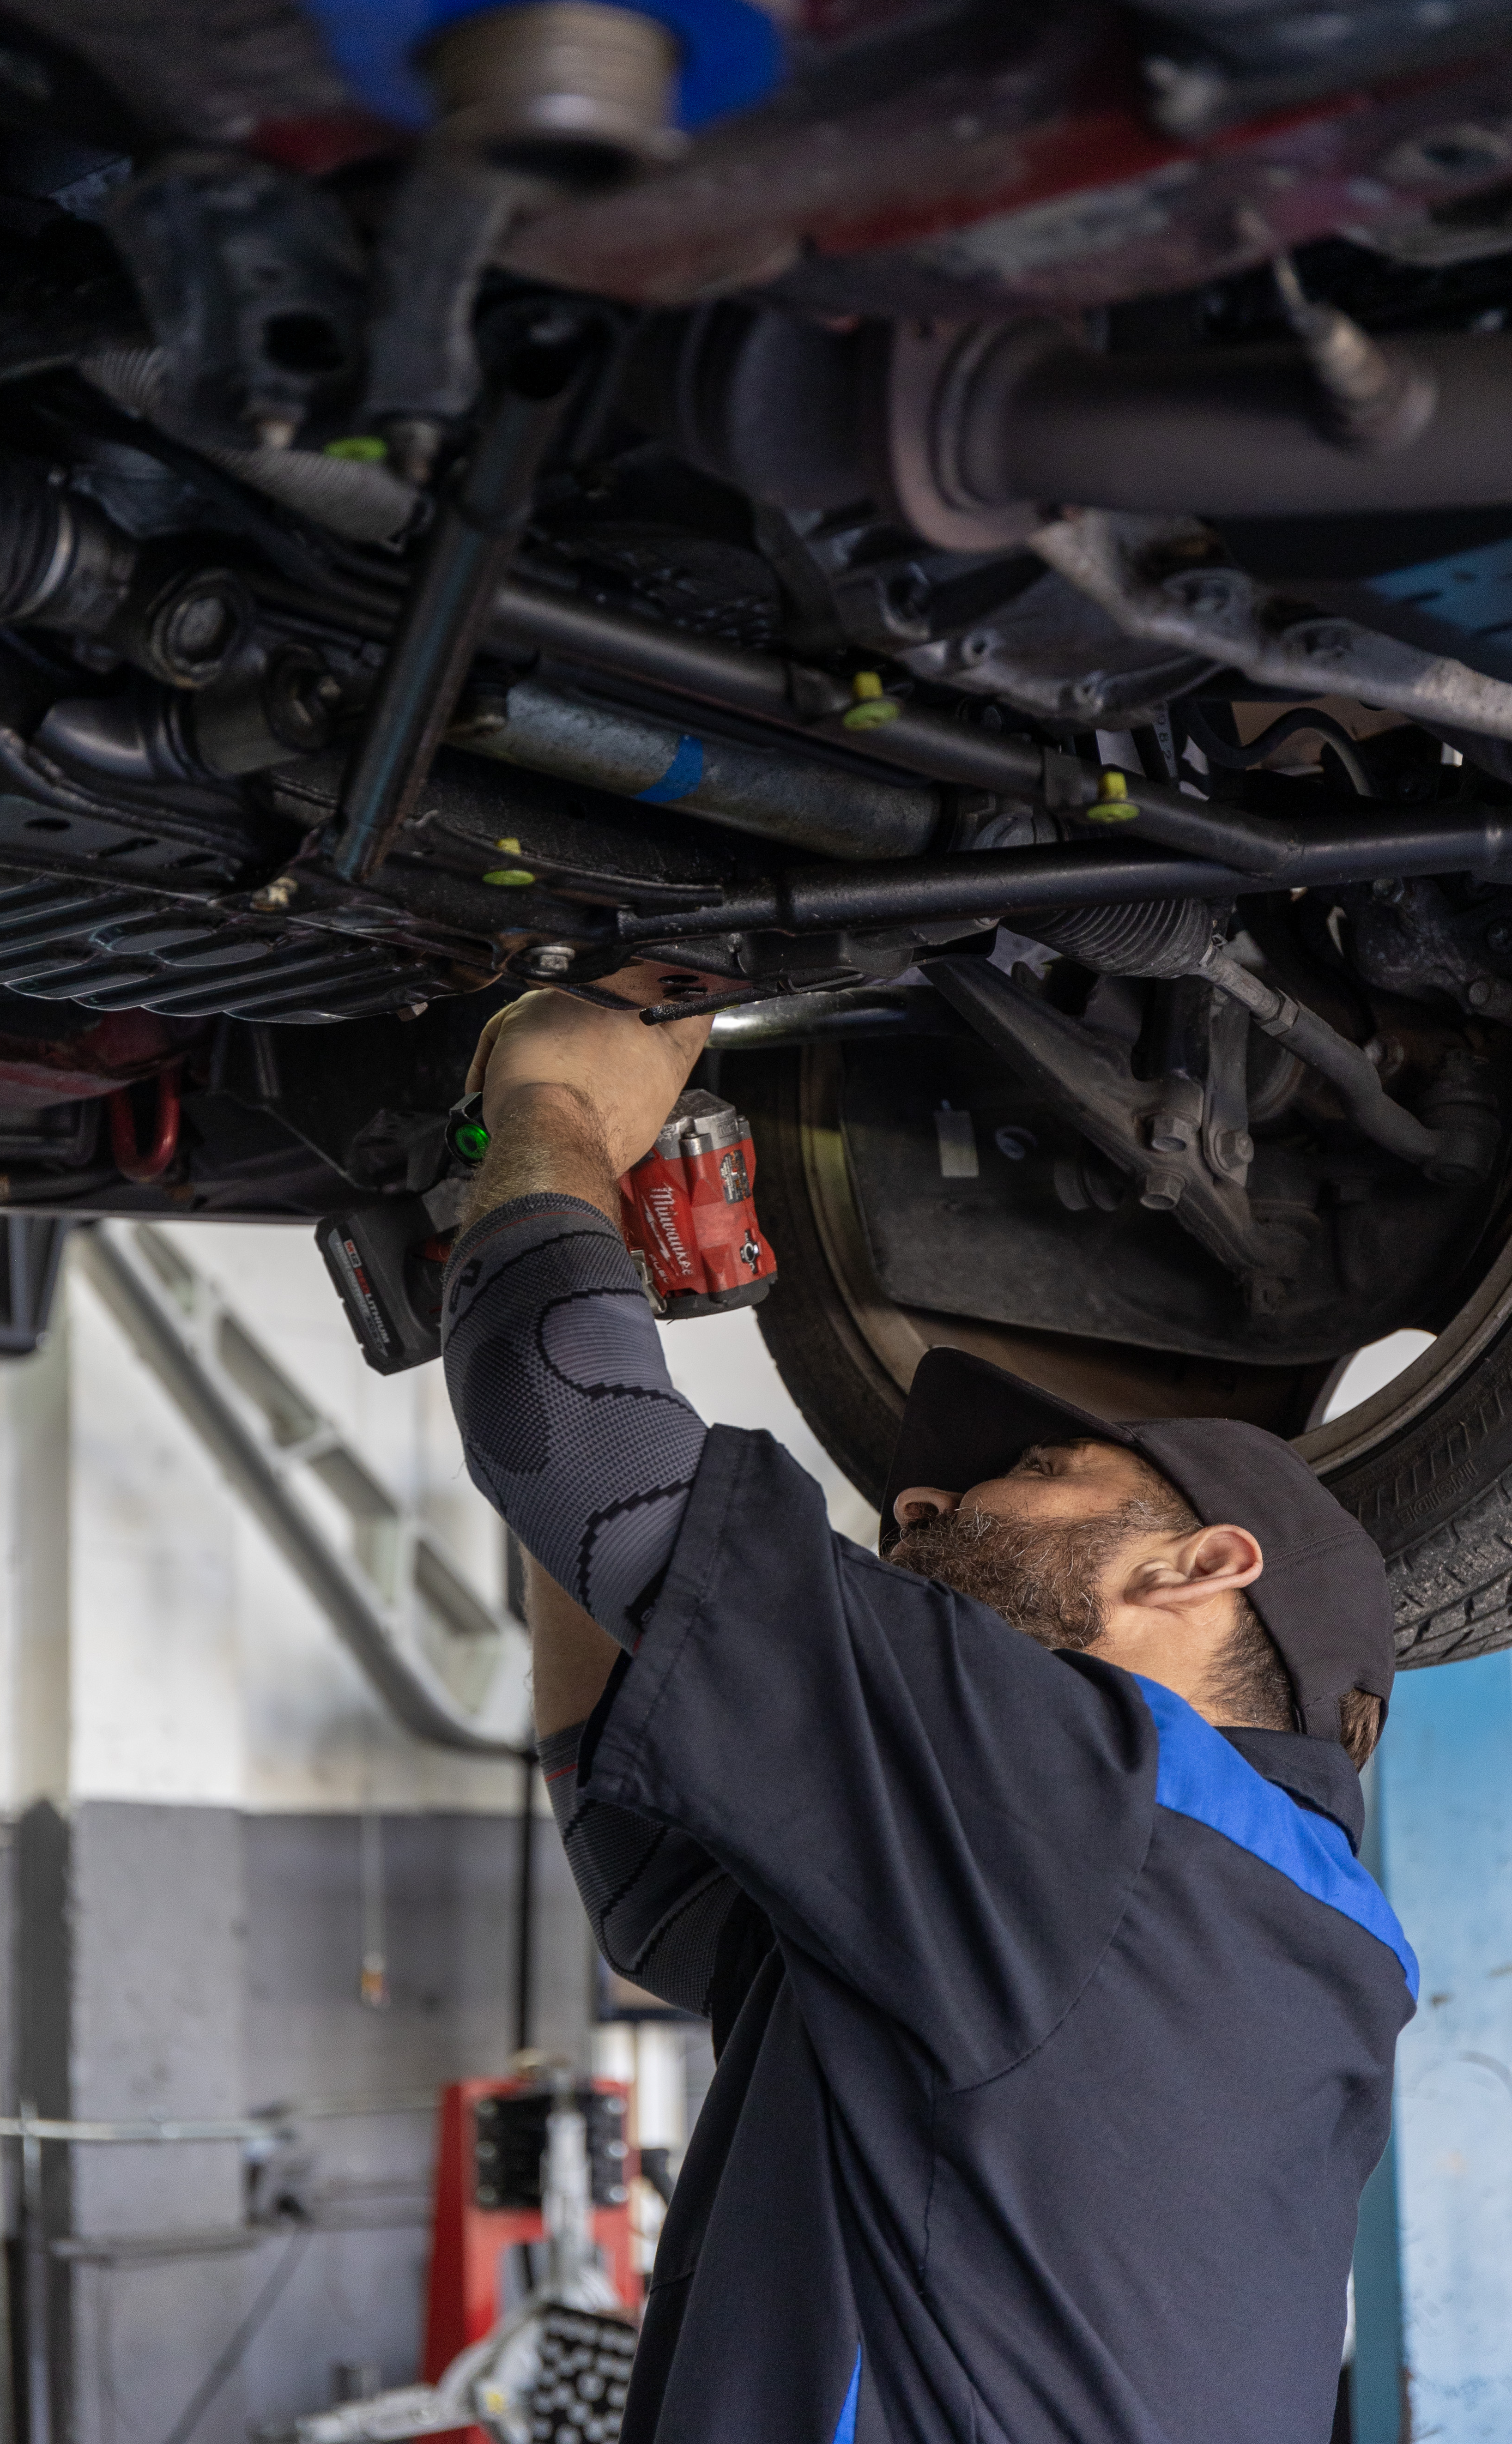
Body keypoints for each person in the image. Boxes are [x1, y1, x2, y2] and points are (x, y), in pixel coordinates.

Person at [440, 982, 1415, 2444]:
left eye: (1016, 1470)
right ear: (1192, 1561)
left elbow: (565, 1428)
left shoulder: (1116, 1834)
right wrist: (557, 1190)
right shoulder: (1181, 1884)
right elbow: (669, 1878)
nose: (923, 1500)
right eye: (1039, 1464)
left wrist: (555, 1106)